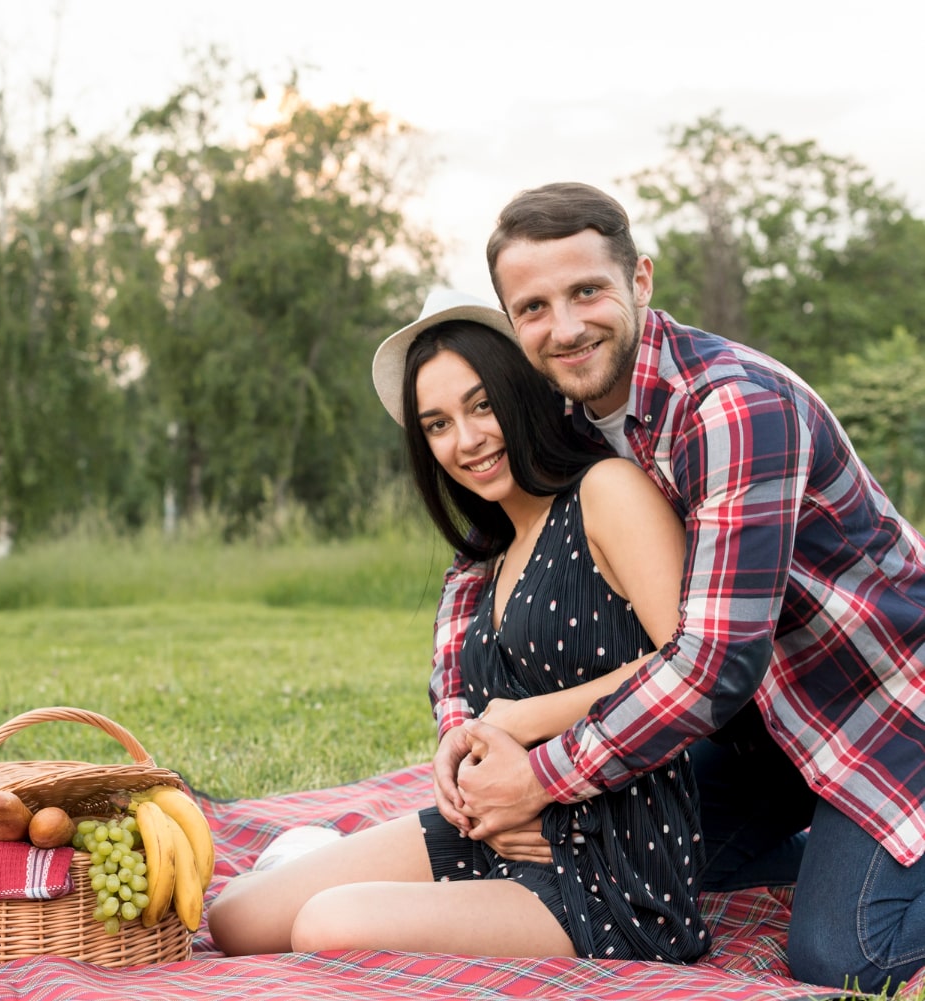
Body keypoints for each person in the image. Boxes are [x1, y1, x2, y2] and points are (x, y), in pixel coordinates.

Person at [434, 182, 925, 993]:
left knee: (847, 954)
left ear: (641, 281)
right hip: (758, 728)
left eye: (587, 290)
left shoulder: (734, 404)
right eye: (533, 307)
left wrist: (543, 772)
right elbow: (477, 559)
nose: (565, 326)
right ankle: (849, 849)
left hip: (877, 708)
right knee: (622, 856)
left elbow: (716, 661)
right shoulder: (564, 409)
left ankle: (871, 855)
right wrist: (463, 724)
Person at [206, 290, 709, 963]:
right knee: (236, 918)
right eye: (437, 423)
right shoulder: (490, 550)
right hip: (498, 826)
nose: (466, 440)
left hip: (608, 860)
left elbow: (693, 661)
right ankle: (329, 859)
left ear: (525, 390)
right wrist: (464, 753)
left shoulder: (607, 492)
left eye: (481, 404)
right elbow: (467, 706)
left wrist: (520, 719)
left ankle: (360, 885)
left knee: (328, 925)